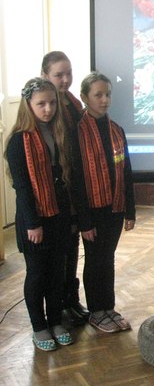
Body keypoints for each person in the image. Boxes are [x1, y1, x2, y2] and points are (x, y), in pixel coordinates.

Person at [4, 78, 74, 351]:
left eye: (52, 103)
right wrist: (33, 223)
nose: (48, 109)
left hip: (58, 215)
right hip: (33, 219)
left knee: (57, 273)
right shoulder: (18, 141)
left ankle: (55, 321)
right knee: (37, 275)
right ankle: (39, 326)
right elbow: (22, 188)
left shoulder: (58, 132)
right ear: (28, 105)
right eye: (41, 104)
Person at [71, 73, 136, 333]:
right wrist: (84, 221)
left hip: (114, 207)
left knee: (107, 258)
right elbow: (76, 179)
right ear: (84, 97)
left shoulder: (116, 130)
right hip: (92, 211)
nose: (104, 100)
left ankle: (108, 307)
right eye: (98, 95)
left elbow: (126, 171)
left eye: (107, 94)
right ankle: (96, 311)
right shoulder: (76, 132)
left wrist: (130, 210)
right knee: (95, 260)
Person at [40, 51, 89, 326]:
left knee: (72, 245)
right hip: (52, 191)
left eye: (68, 73)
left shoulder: (72, 102)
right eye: (59, 75)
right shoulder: (42, 106)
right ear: (45, 75)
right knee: (57, 253)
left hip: (73, 186)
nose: (66, 79)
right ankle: (56, 306)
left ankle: (71, 299)